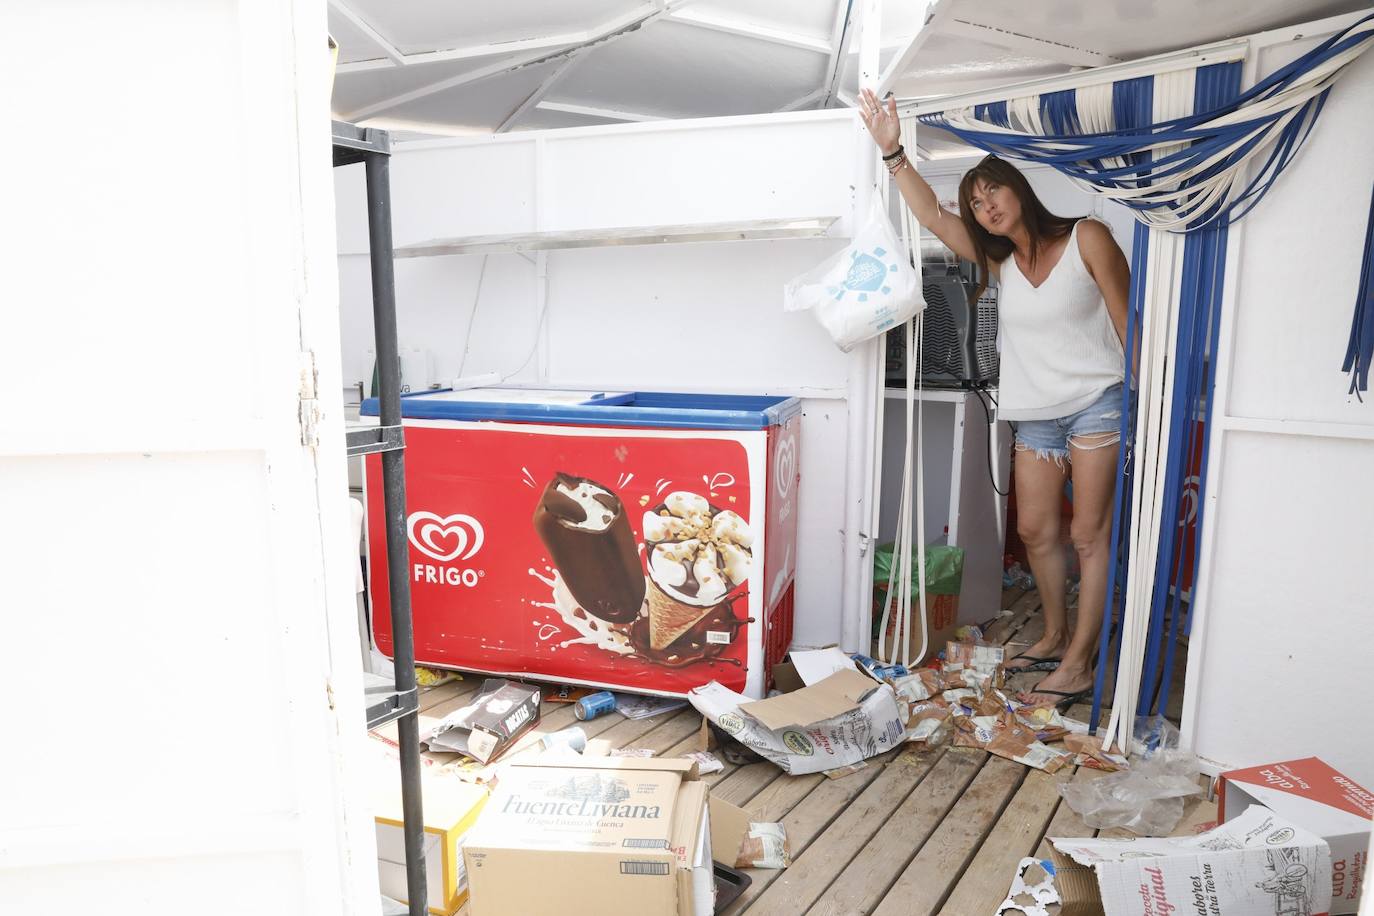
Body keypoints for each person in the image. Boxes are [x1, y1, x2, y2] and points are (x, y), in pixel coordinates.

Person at [859, 88, 1132, 708]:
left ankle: (1082, 663)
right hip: (1033, 414)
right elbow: (931, 216)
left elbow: (1127, 325)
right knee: (1037, 533)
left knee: (1089, 534)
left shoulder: (1087, 237)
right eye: (976, 205)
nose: (985, 209)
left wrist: (1146, 406)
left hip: (1097, 403)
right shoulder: (999, 261)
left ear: (1018, 191)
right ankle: (1057, 634)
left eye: (993, 195)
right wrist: (894, 150)